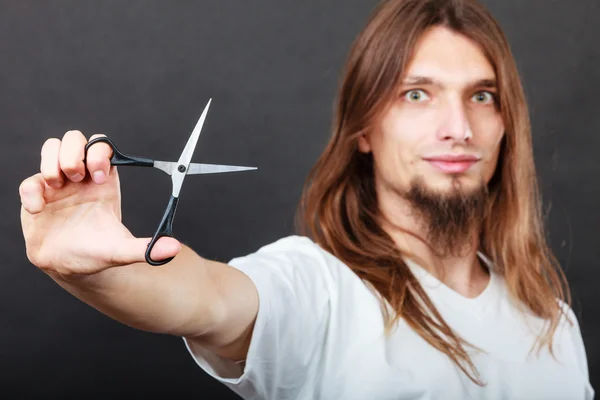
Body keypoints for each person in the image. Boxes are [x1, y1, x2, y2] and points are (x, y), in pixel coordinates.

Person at [19, 0, 594, 399]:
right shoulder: (316, 289)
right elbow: (208, 298)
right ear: (364, 127)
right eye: (417, 94)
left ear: (505, 125)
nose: (458, 127)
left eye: (482, 96)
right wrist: (93, 271)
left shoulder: (551, 323)